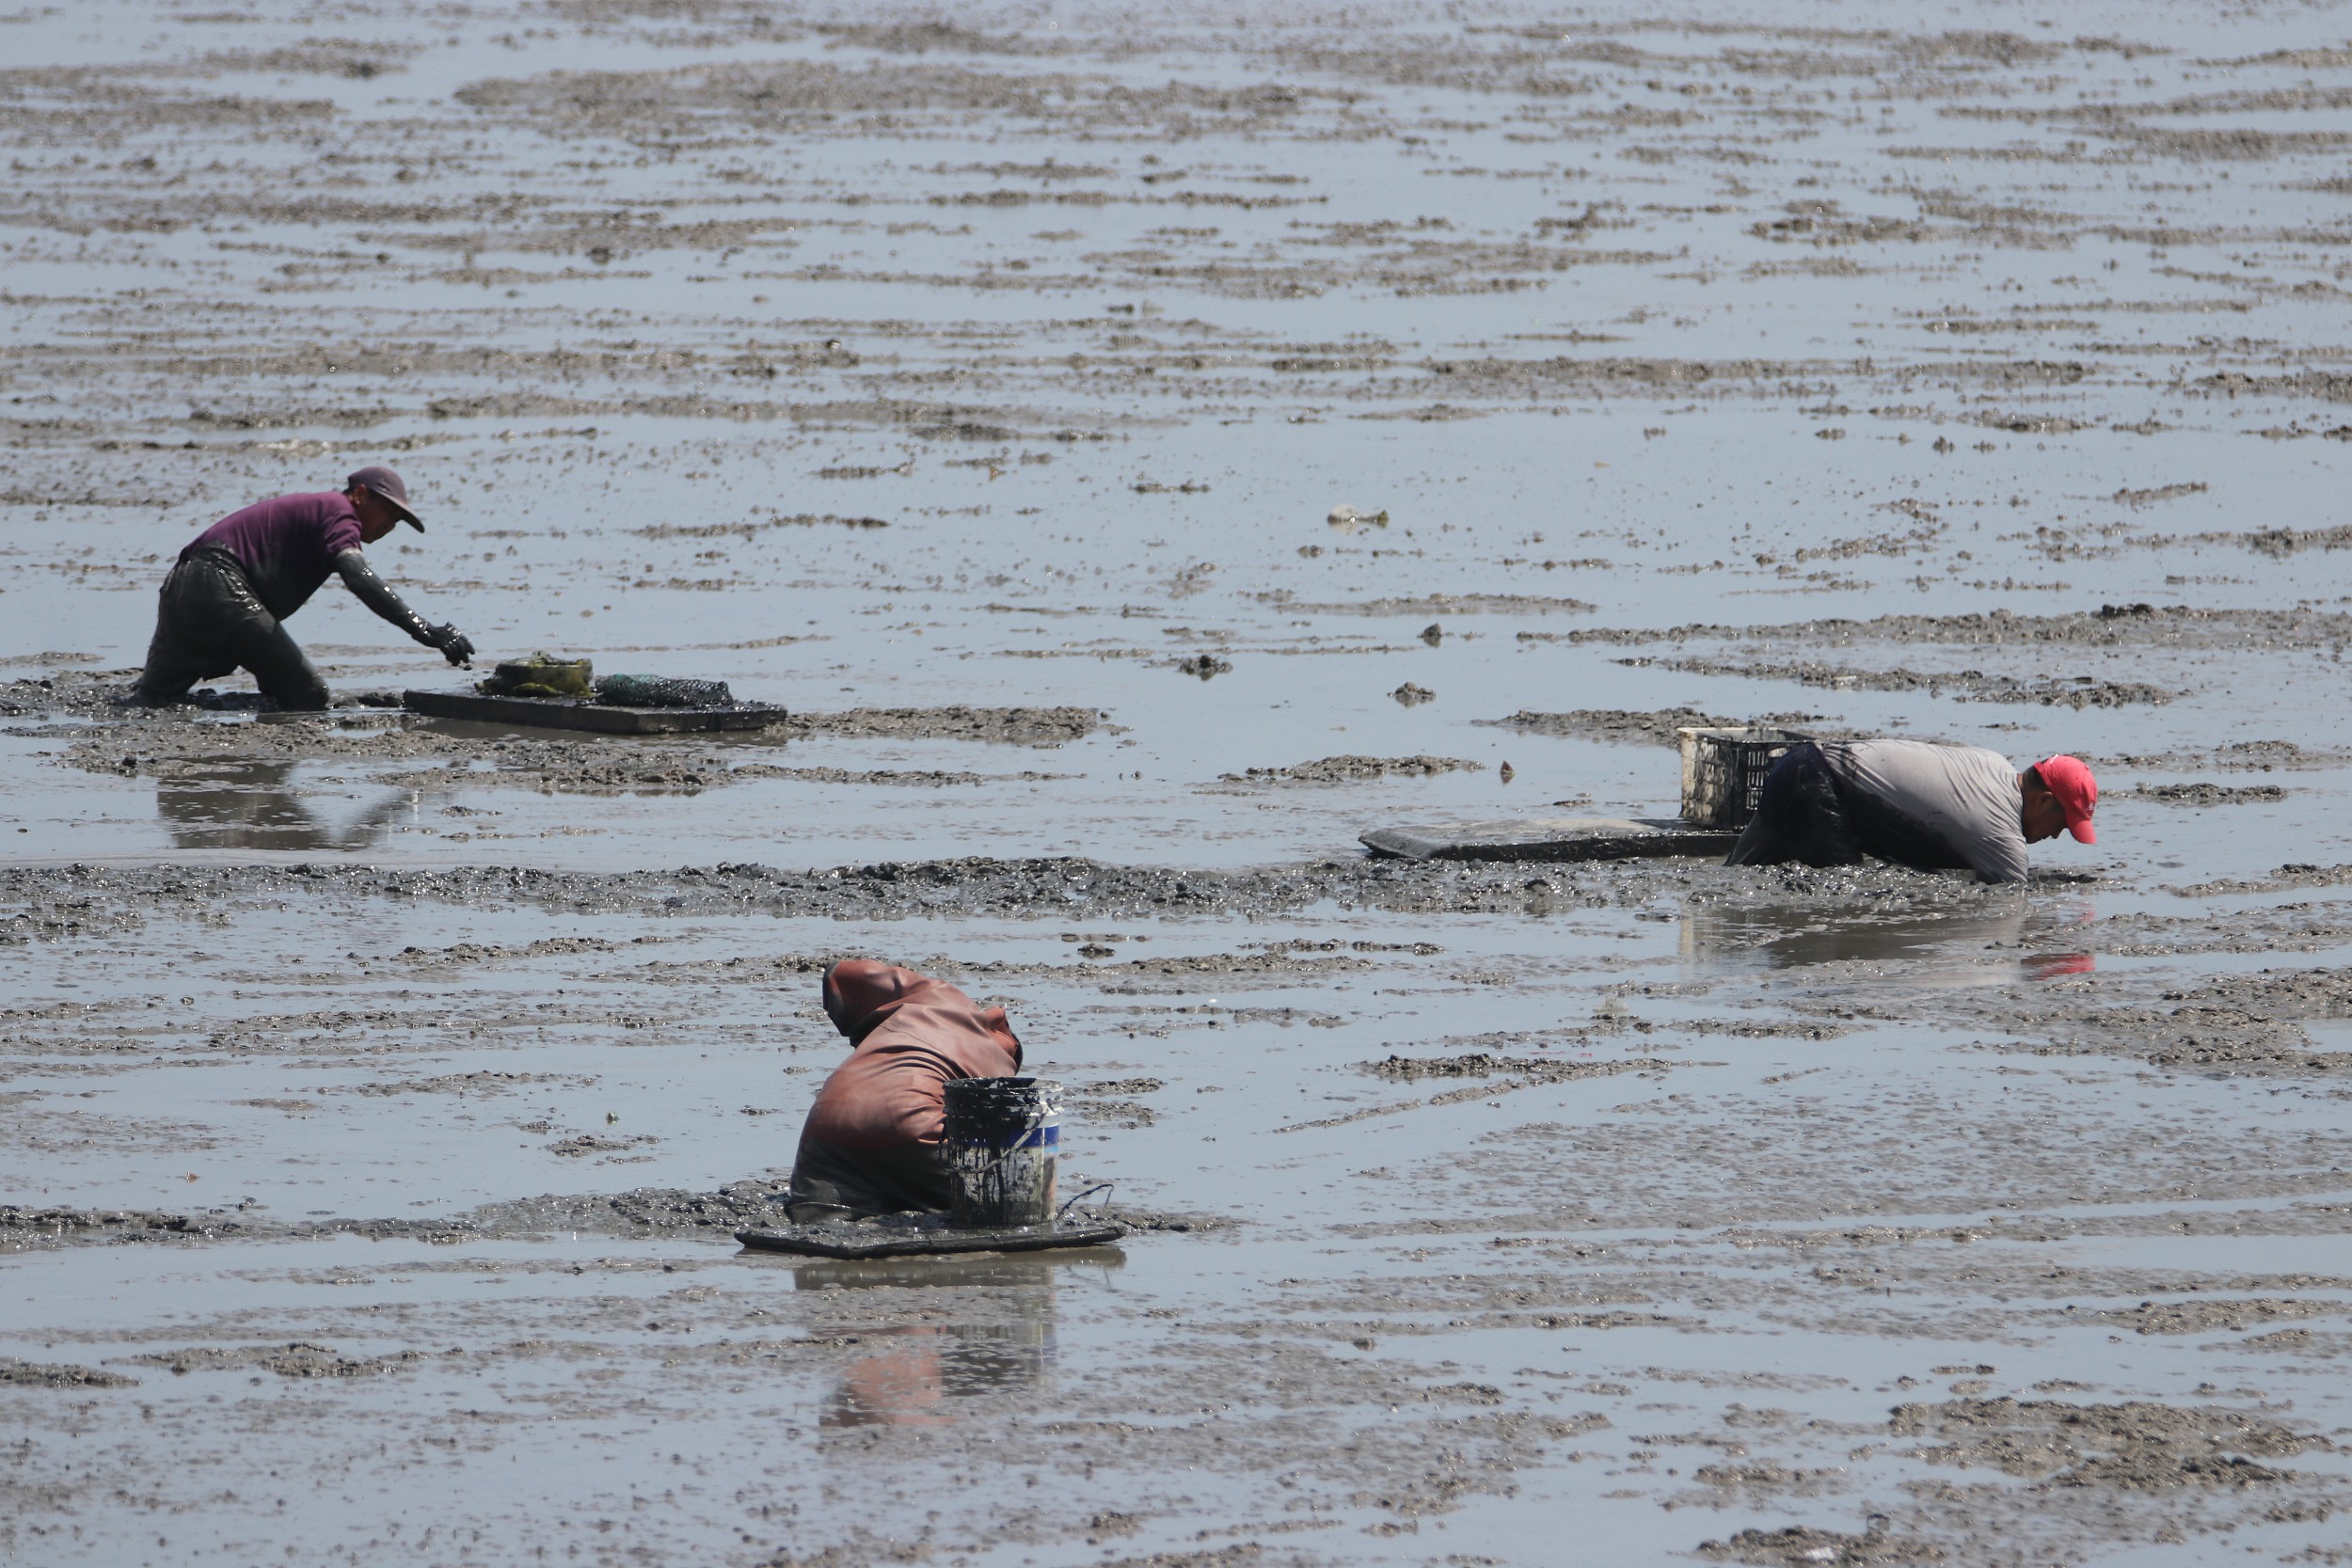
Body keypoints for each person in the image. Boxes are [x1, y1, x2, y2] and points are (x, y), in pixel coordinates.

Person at [131, 467, 474, 711]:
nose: (389, 526)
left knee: (152, 701)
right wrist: (424, 630)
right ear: (360, 494)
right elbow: (358, 576)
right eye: (386, 512)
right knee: (308, 697)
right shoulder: (339, 511)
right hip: (219, 583)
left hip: (184, 585)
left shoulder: (325, 512)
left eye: (396, 522)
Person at [787, 959, 1024, 1223]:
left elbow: (843, 973)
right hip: (910, 1124)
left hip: (827, 1120)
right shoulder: (998, 1063)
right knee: (996, 1206)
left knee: (819, 1220)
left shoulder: (933, 997)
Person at [1724, 739, 2094, 884]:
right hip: (1817, 796)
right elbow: (2013, 902)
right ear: (2044, 801)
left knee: (1732, 881)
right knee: (1841, 900)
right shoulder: (2002, 835)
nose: (2056, 835)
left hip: (1801, 763)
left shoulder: (1993, 760)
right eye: (2061, 824)